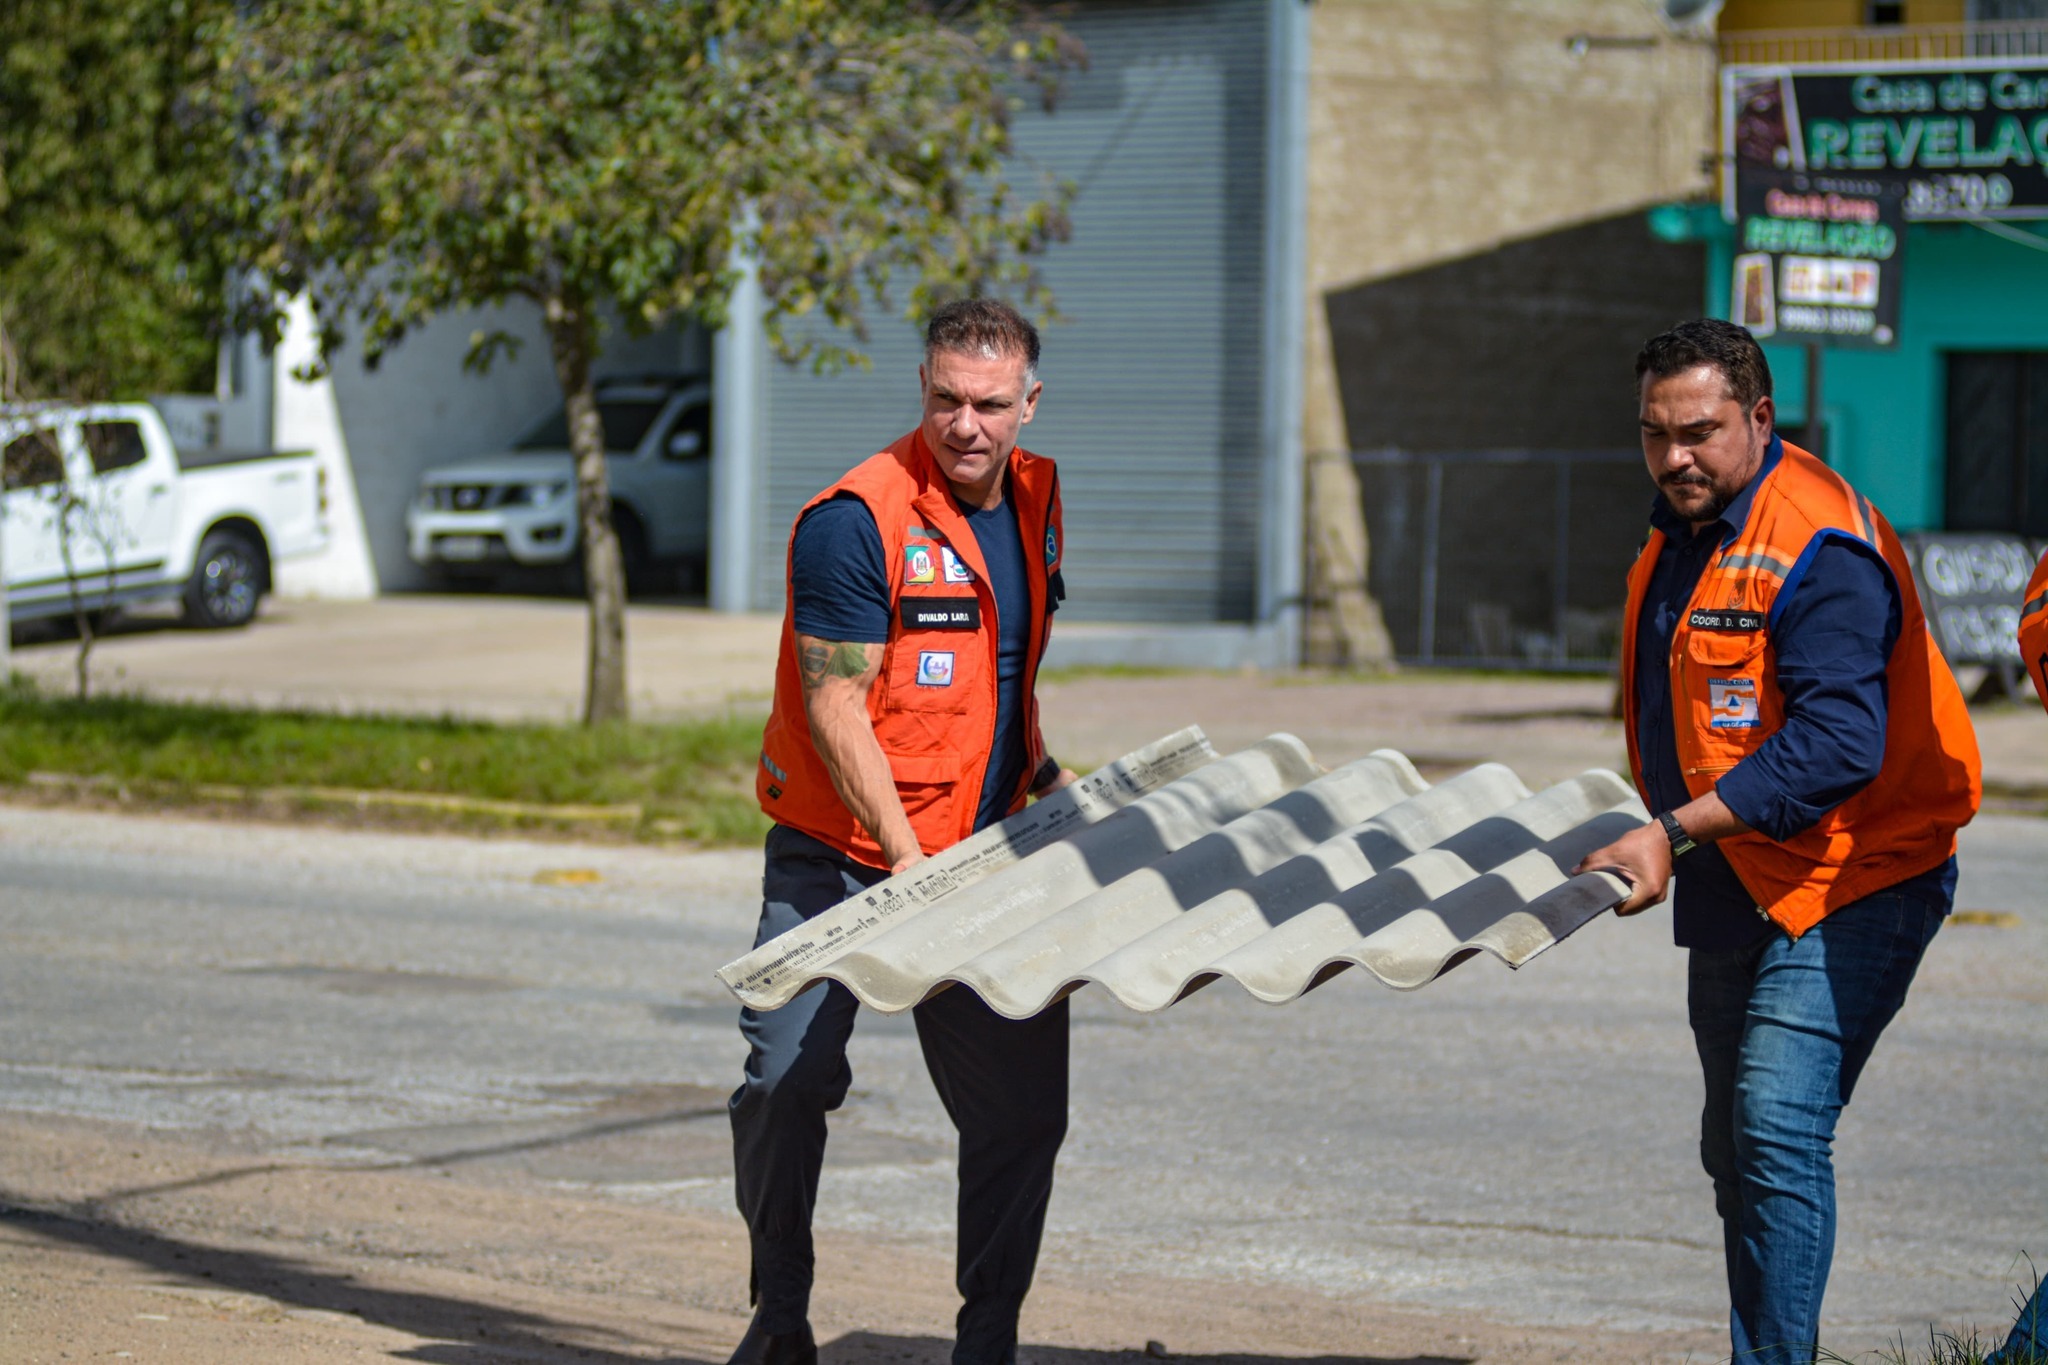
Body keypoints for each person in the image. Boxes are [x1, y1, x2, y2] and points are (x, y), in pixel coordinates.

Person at [1575, 318, 1982, 1365]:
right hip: (1738, 869)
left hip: (1860, 872)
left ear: (1759, 418)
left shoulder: (1818, 545)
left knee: (1771, 1126)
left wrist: (1669, 829)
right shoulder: (1685, 524)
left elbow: (1838, 746)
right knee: (1734, 1148)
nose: (1674, 457)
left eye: (1700, 432)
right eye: (1654, 434)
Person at [726, 297, 1078, 1365]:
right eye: (942, 401)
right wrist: (911, 867)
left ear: (1026, 403)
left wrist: (1047, 778)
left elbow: (999, 673)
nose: (963, 426)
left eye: (986, 405)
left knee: (1022, 1114)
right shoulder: (855, 519)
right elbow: (837, 704)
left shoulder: (1035, 499)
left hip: (981, 854)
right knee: (785, 1082)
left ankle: (988, 1341)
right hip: (841, 855)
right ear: (918, 390)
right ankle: (780, 1316)